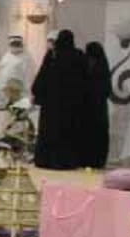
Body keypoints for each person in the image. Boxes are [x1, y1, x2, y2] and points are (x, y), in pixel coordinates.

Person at [32, 30, 95, 169]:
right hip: (72, 105)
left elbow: (42, 77)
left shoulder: (53, 55)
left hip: (51, 104)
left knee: (50, 132)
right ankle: (67, 161)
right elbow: (86, 80)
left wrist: (37, 93)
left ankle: (46, 160)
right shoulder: (79, 56)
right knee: (68, 133)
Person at [0, 35, 34, 144]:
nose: (15, 46)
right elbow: (0, 76)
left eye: (17, 44)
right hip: (3, 95)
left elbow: (29, 78)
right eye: (13, 44)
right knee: (1, 120)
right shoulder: (6, 56)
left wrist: (27, 95)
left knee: (15, 122)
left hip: (19, 95)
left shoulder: (26, 58)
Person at [82, 40, 115, 168]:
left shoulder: (94, 66)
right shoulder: (102, 66)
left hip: (93, 107)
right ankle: (94, 160)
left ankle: (93, 160)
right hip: (98, 108)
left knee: (94, 134)